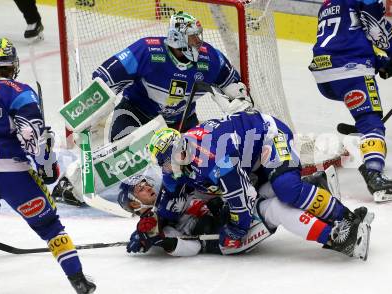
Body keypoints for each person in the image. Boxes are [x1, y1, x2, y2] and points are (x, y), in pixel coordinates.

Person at [53, 11, 249, 206]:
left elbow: (234, 88)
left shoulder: (211, 58)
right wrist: (89, 113)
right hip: (137, 113)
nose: (198, 41)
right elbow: (105, 79)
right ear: (178, 38)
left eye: (199, 36)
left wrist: (242, 109)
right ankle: (71, 186)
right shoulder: (148, 50)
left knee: (196, 168)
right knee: (125, 156)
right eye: (193, 37)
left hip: (181, 121)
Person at [0, 38, 95, 294]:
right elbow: (34, 137)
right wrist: (47, 166)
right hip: (13, 175)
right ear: (13, 63)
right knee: (50, 226)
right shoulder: (18, 91)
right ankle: (79, 281)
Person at [120, 167, 373, 260]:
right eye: (139, 189)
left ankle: (329, 206)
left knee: (271, 187)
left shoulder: (169, 192)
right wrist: (161, 240)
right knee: (275, 209)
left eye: (144, 183)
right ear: (133, 205)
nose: (146, 187)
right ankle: (336, 239)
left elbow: (197, 195)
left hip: (232, 211)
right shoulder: (155, 226)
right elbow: (191, 247)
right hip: (227, 237)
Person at [308, 0, 392, 202]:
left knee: (362, 110)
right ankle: (374, 174)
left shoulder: (327, 5)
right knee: (371, 120)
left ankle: (366, 141)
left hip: (324, 75)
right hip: (350, 74)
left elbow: (347, 41)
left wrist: (382, 64)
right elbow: (377, 29)